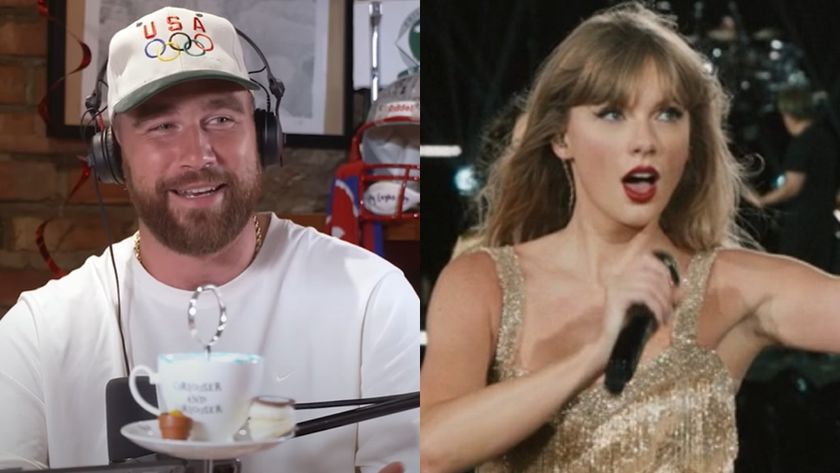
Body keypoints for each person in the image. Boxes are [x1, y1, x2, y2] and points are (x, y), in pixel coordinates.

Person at [420, 3, 840, 472]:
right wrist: (596, 355)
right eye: (613, 113)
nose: (646, 141)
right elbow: (430, 449)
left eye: (667, 114)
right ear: (561, 138)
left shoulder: (739, 285)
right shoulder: (482, 283)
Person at [0, 6, 418, 473]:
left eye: (220, 119)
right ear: (113, 153)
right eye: (161, 126)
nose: (197, 155)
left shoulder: (374, 299)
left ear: (262, 135)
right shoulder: (36, 333)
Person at [752, 81, 839, 273]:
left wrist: (762, 201)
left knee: (794, 272)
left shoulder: (802, 144)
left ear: (789, 113)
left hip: (803, 223)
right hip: (825, 219)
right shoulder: (825, 137)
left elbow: (792, 187)